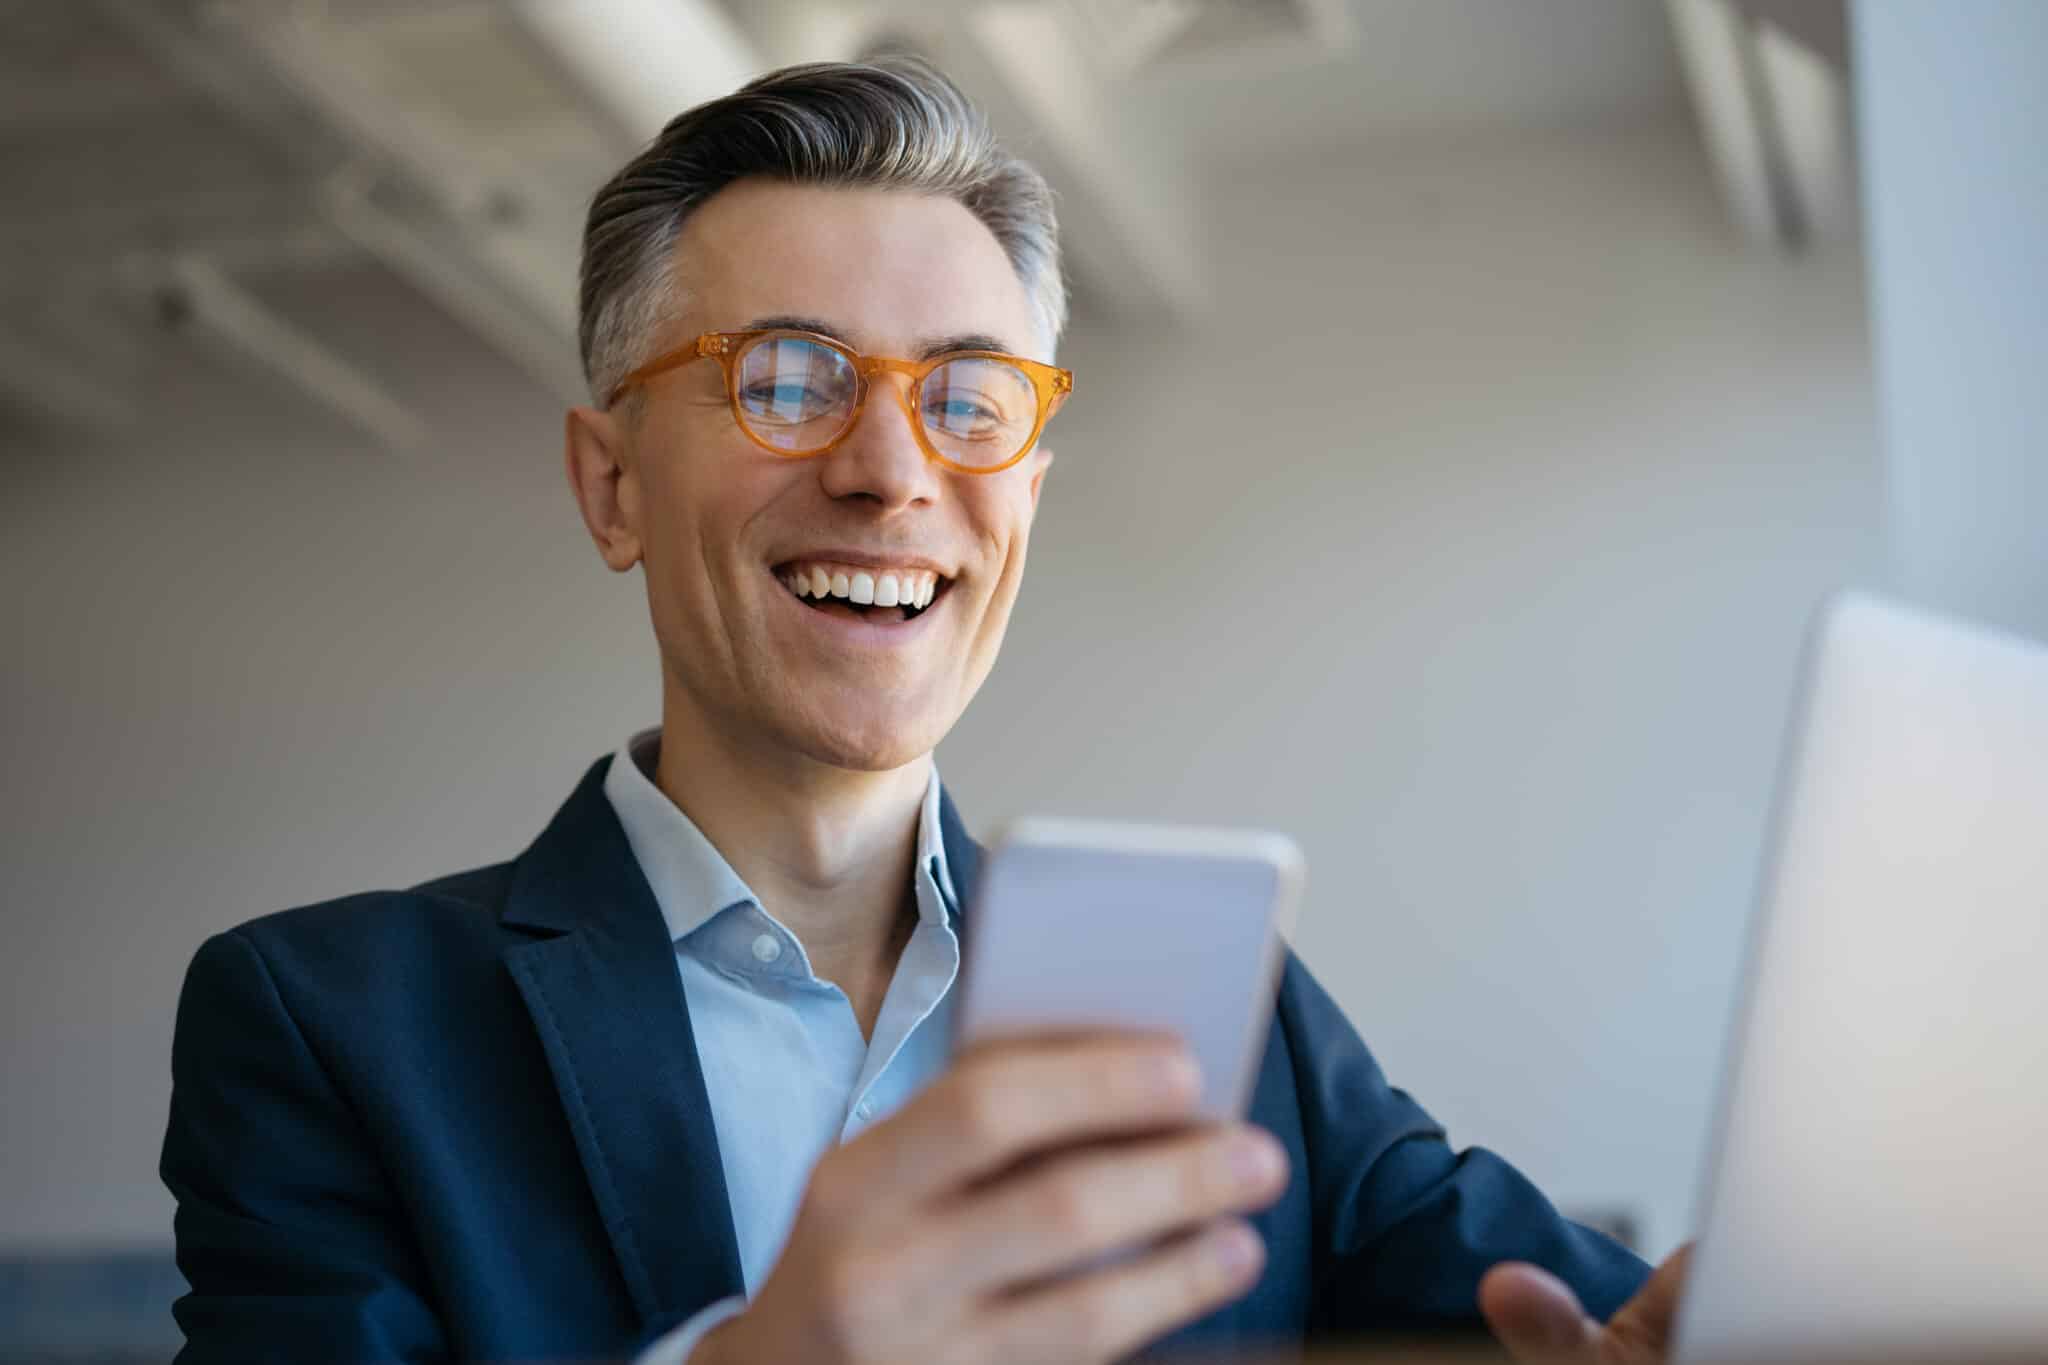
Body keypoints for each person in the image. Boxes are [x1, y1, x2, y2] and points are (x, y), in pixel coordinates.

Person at [160, 58, 1688, 1364]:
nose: (893, 473)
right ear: (610, 483)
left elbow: (1593, 1324)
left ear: (1023, 486)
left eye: (967, 397)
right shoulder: (331, 1026)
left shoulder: (1218, 1007)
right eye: (787, 378)